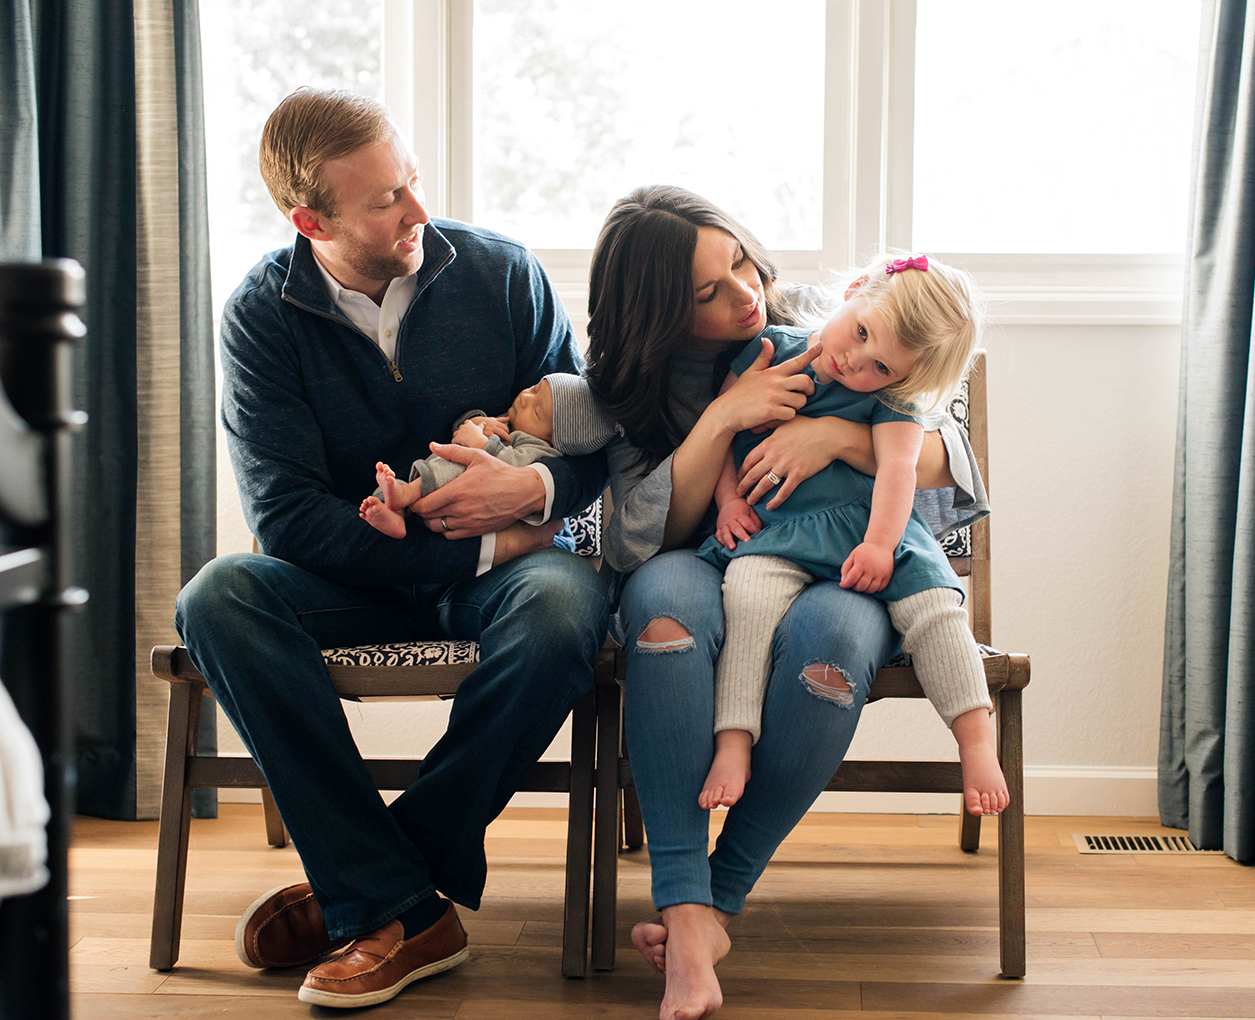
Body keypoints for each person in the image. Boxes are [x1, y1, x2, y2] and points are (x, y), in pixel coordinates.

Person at [173, 88, 609, 1010]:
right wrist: (470, 552)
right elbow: (286, 517)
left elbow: (596, 442)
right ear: (309, 219)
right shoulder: (261, 316)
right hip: (364, 574)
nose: (418, 211)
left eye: (411, 181)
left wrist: (535, 492)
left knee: (568, 606)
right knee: (218, 594)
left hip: (512, 573)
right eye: (384, 200)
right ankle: (403, 902)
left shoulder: (503, 274)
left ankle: (374, 892)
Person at [585, 186, 989, 1020]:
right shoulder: (629, 384)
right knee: (663, 615)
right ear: (658, 310)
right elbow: (633, 539)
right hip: (704, 554)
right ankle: (685, 906)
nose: (743, 293)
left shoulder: (828, 322)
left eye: (738, 260)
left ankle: (714, 907)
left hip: (842, 560)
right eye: (707, 291)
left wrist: (837, 438)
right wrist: (724, 419)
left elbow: (959, 465)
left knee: (829, 642)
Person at [695, 255, 1009, 819]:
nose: (855, 361)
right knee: (745, 596)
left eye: (880, 366)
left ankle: (976, 741)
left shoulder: (894, 399)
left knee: (935, 608)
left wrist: (881, 546)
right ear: (856, 289)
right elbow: (724, 429)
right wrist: (728, 502)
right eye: (860, 332)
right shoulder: (769, 352)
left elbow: (898, 471)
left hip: (868, 527)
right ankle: (733, 741)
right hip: (780, 527)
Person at [359, 373, 620, 539]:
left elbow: (511, 470)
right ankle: (392, 511)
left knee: (441, 474)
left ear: (554, 440)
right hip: (440, 480)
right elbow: (466, 427)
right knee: (392, 483)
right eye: (534, 388)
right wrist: (477, 421)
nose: (525, 398)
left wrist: (484, 444)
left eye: (537, 411)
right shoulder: (512, 425)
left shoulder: (539, 450)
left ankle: (402, 498)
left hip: (461, 495)